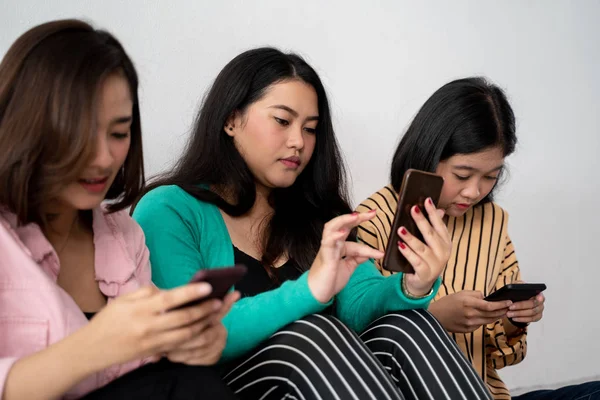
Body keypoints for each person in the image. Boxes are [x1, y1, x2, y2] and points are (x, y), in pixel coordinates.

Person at [133, 48, 492, 400]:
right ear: (230, 119)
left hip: (322, 382)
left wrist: (412, 286)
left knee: (412, 325)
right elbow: (196, 335)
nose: (298, 142)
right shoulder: (169, 209)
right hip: (222, 386)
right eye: (282, 121)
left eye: (310, 128)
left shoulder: (317, 214)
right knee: (312, 333)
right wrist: (310, 291)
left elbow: (359, 305)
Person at [0, 20, 238, 400]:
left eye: (118, 133)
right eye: (76, 132)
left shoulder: (125, 237)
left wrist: (194, 342)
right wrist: (96, 345)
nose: (102, 158)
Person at [356, 77, 600, 399]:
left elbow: (503, 357)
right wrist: (435, 318)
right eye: (462, 174)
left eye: (490, 176)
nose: (474, 192)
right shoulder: (373, 218)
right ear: (429, 153)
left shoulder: (493, 222)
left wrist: (515, 322)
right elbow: (357, 347)